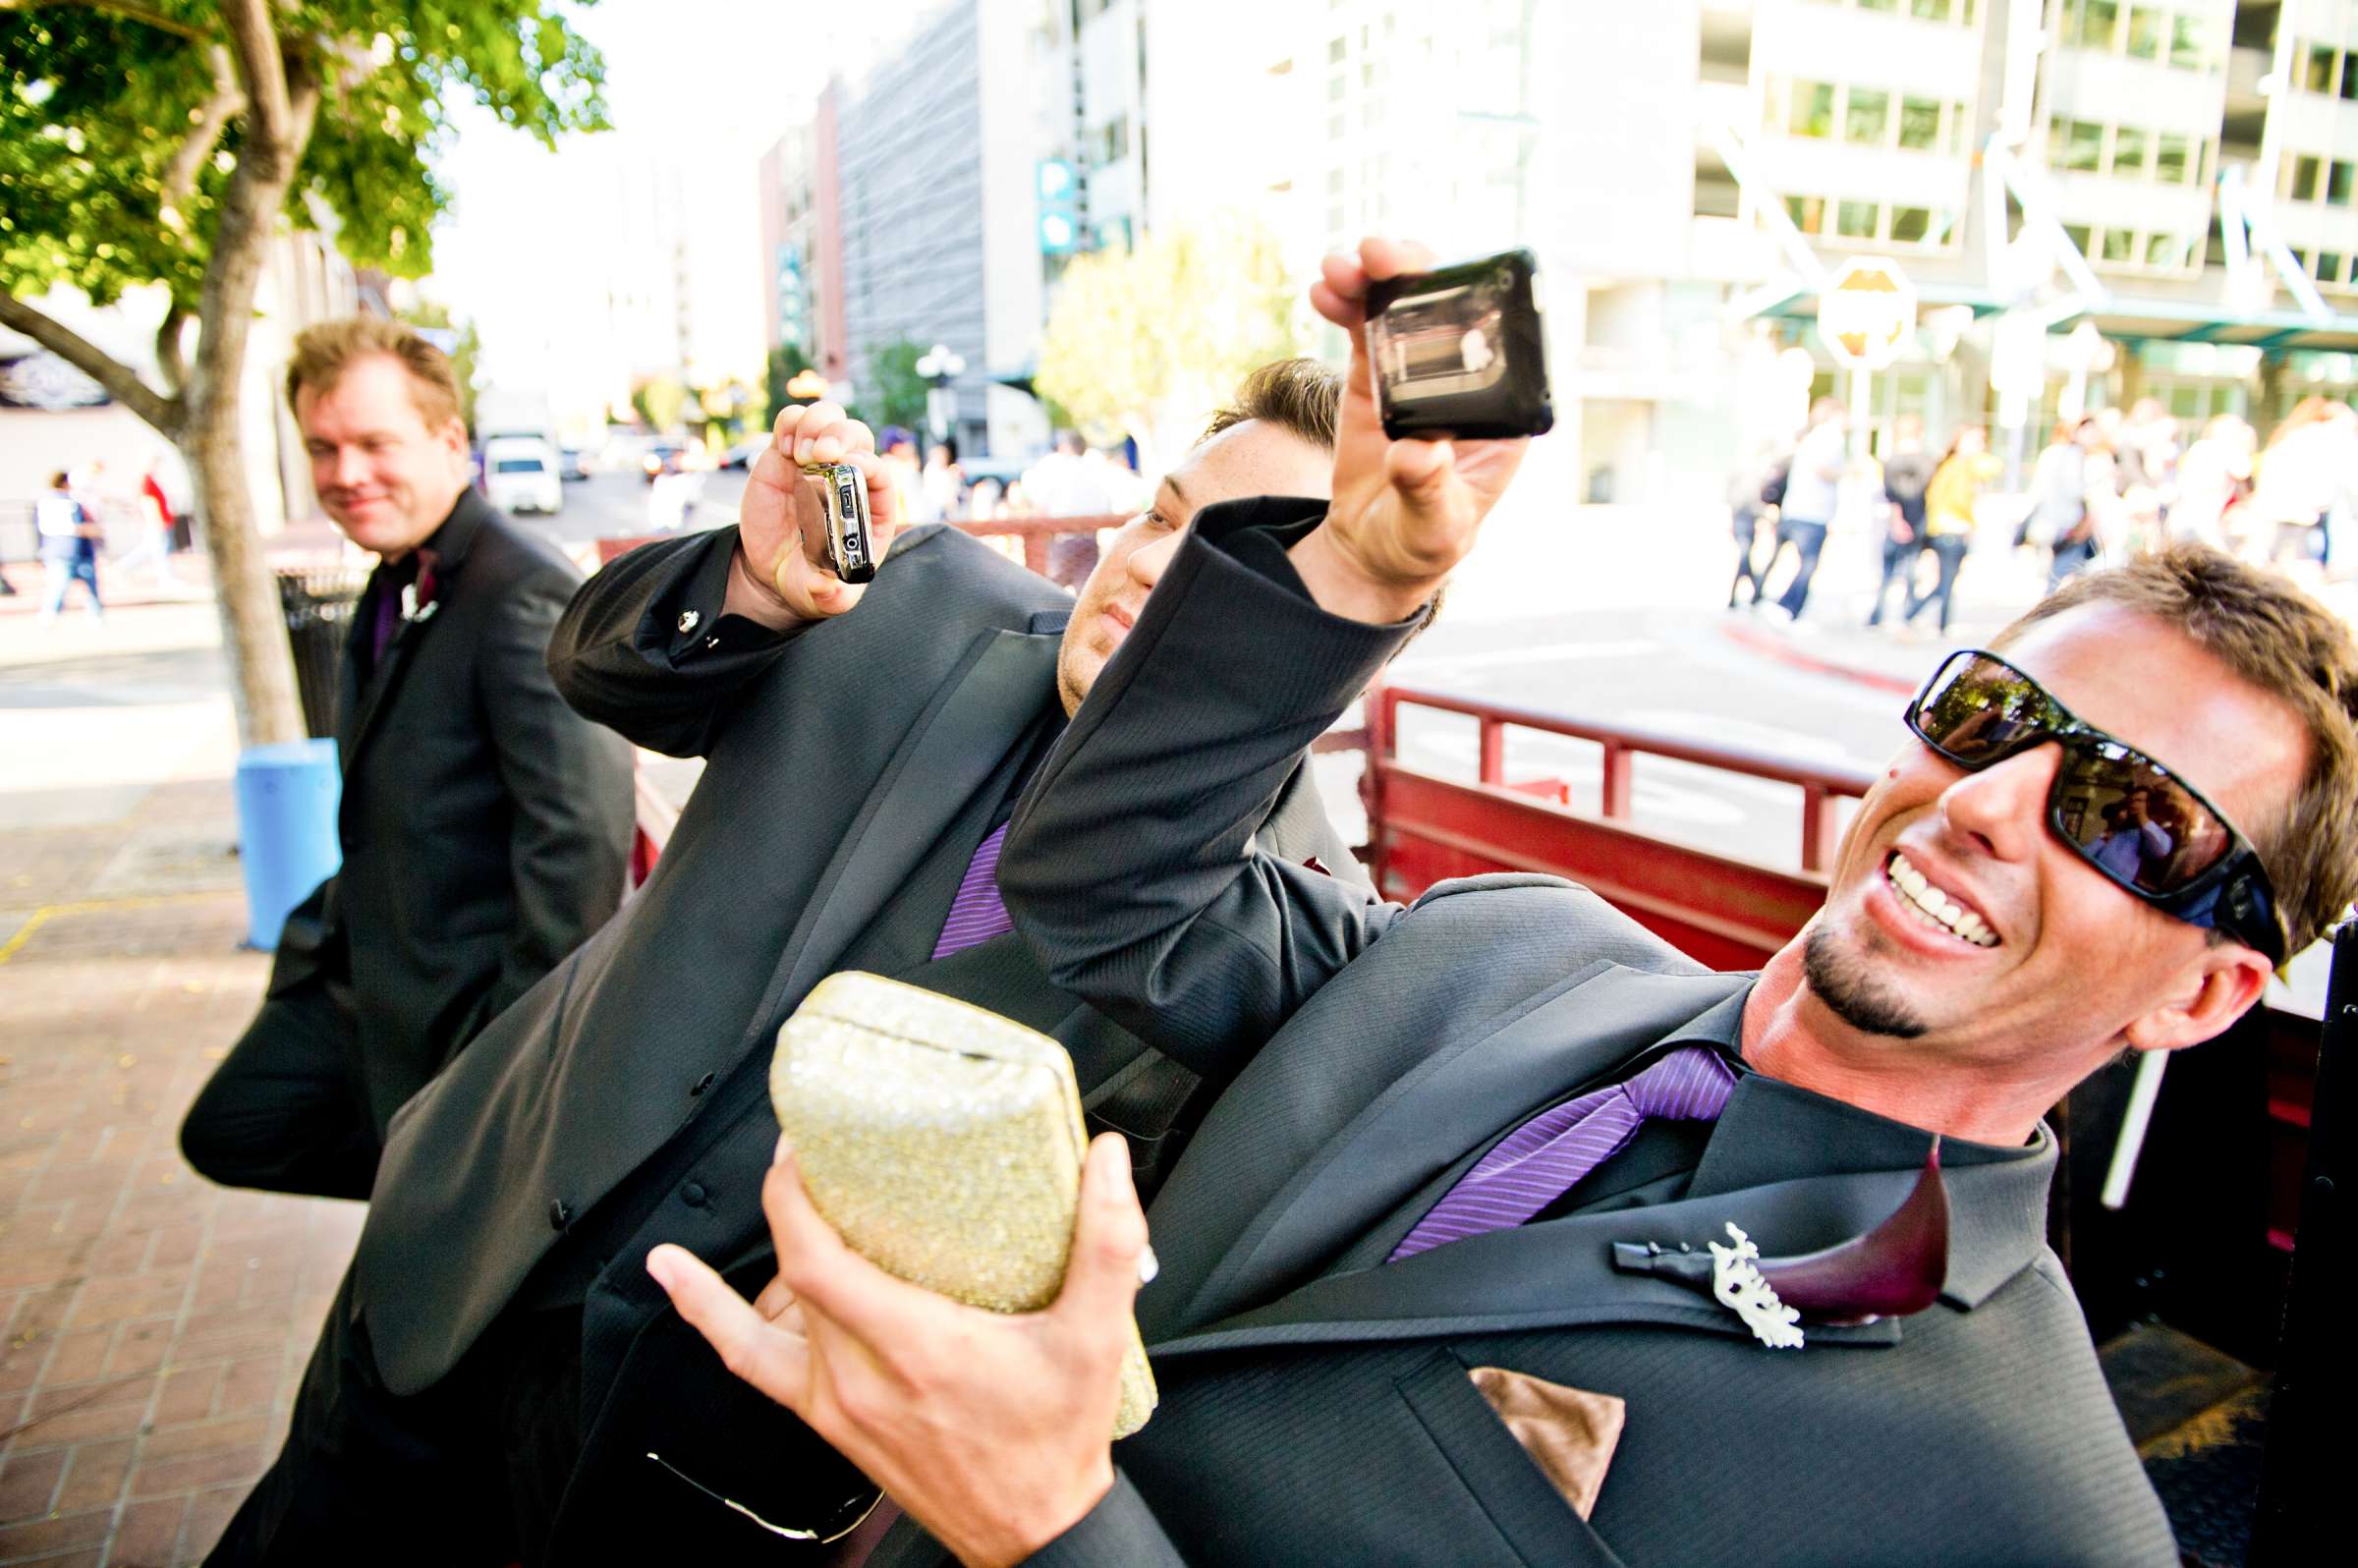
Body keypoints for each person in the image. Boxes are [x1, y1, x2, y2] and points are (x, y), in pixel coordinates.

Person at [657, 239, 2358, 1568]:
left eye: (2130, 814)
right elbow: (1106, 890)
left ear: (2202, 998)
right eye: (1992, 716)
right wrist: (1356, 575)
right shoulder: (1513, 945)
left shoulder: (2023, 1512)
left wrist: (1050, 1518)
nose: (1991, 804)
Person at [206, 359, 1363, 1566]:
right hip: (462, 1257)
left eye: (1236, 566)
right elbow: (591, 666)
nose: (1154, 565)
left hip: (713, 1457)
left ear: (1337, 652)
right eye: (1163, 515)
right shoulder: (922, 599)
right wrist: (750, 585)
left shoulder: (1292, 945)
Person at [178, 317, 635, 1204]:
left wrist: (510, 1063)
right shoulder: (397, 573)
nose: (346, 474)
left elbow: (578, 839)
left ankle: (446, 1191)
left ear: (449, 440)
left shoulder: (521, 591)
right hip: (359, 985)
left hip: (459, 1021)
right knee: (233, 1130)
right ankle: (423, 1187)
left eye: (375, 443)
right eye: (323, 448)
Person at [1904, 424, 1999, 635]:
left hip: (1945, 528)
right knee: (1947, 581)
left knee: (1946, 581)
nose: (1979, 447)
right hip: (1952, 529)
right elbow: (1991, 469)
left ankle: (1921, 617)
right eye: (1975, 442)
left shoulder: (1952, 466)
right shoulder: (1958, 468)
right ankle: (1926, 619)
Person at [1764, 396, 1845, 622]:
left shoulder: (1808, 439)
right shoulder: (1831, 438)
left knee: (1782, 559)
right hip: (1814, 513)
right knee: (1807, 565)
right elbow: (1824, 470)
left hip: (1795, 509)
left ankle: (1764, 599)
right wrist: (1848, 473)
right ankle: (1788, 607)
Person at [1866, 415, 1933, 628]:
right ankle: (1907, 616)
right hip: (1915, 519)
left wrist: (1896, 520)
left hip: (1897, 519)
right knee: (1910, 573)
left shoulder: (1891, 460)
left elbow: (1890, 494)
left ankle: (1878, 615)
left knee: (1889, 573)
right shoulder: (1925, 460)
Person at [2031, 415, 2105, 586]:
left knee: (2058, 577)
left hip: (2054, 522)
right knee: (2064, 578)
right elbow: (2076, 491)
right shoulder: (2072, 455)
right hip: (2069, 525)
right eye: (2087, 430)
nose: (2092, 435)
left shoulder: (2052, 453)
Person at [34, 469, 103, 621]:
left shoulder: (44, 502)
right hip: (73, 548)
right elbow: (75, 526)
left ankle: (50, 613)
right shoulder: (69, 502)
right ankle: (95, 614)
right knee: (80, 585)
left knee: (58, 584)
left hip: (54, 549)